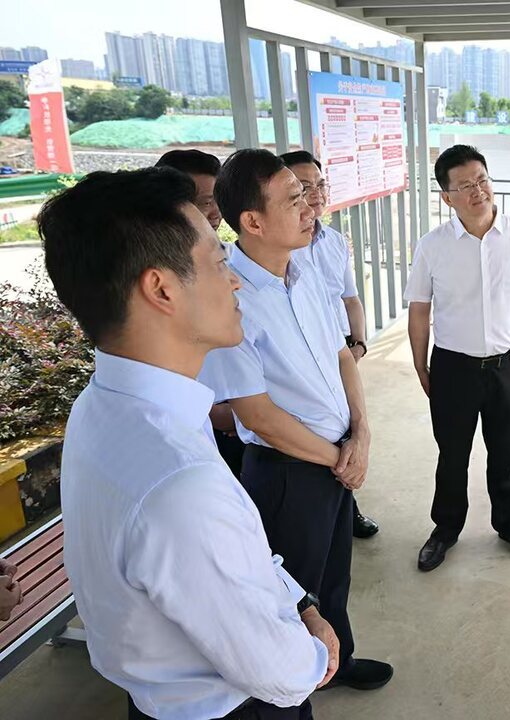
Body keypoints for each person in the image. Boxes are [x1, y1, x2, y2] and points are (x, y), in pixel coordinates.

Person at [42, 167, 336, 720]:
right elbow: (280, 672)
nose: (234, 282)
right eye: (220, 262)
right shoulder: (178, 482)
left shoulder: (107, 405)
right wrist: (316, 651)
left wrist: (300, 602)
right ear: (162, 289)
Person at [199, 150, 392, 693]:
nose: (310, 207)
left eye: (307, 194)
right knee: (293, 591)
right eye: (293, 199)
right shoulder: (231, 297)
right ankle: (296, 687)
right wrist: (340, 459)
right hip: (288, 470)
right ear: (253, 221)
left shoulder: (304, 271)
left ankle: (337, 661)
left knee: (334, 574)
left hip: (337, 456)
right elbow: (255, 414)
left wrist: (361, 432)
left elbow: (341, 354)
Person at [404, 144, 510, 572]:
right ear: (447, 197)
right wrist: (420, 365)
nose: (478, 190)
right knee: (452, 456)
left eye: (482, 180)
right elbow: (420, 311)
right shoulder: (432, 246)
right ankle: (445, 529)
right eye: (465, 185)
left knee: (505, 455)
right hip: (453, 368)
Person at [278, 150, 378, 540]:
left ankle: (347, 508)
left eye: (320, 185)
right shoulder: (282, 249)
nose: (316, 195)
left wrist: (359, 345)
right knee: (317, 435)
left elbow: (350, 298)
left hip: (341, 354)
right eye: (304, 188)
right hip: (307, 363)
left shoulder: (334, 241)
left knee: (349, 428)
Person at [156, 149, 244, 479]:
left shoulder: (233, 257)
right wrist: (216, 413)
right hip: (214, 423)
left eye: (217, 199)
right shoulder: (162, 283)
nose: (215, 211)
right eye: (205, 202)